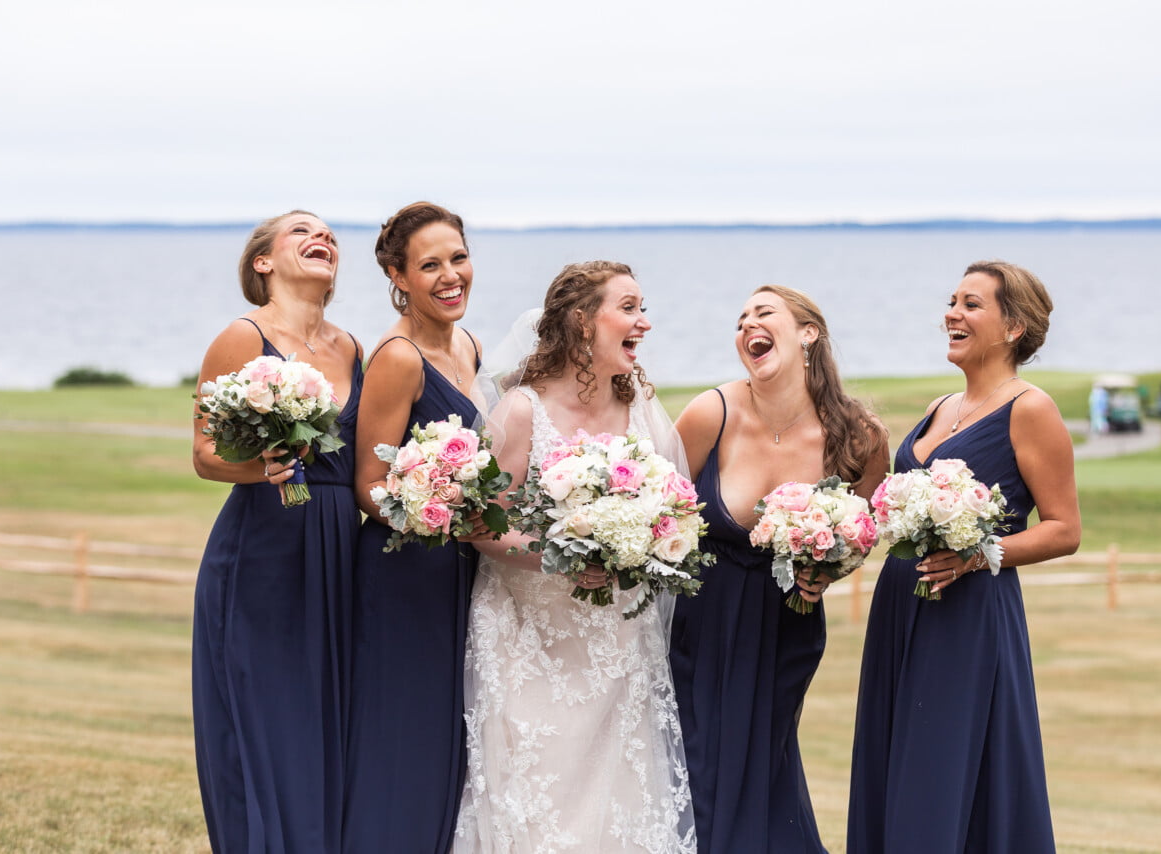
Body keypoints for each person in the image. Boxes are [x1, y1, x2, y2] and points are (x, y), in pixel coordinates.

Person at [453, 261, 697, 853]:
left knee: (617, 803)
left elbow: (674, 513)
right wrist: (558, 558)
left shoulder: (639, 404)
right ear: (584, 323)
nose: (645, 322)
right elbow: (481, 525)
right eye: (631, 308)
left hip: (614, 643)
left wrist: (638, 545)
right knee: (533, 801)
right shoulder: (520, 411)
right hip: (527, 639)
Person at [847, 260, 1081, 854]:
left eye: (972, 304)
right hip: (902, 605)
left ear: (1014, 327)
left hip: (969, 614)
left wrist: (979, 556)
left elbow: (1063, 529)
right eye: (952, 301)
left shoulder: (1030, 409)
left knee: (944, 765)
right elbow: (891, 504)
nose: (952, 313)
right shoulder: (940, 406)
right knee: (895, 755)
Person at [667, 285, 888, 854]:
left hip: (785, 626)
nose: (747, 327)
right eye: (740, 319)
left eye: (763, 314)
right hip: (699, 623)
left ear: (807, 332)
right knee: (696, 767)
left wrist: (828, 570)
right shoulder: (710, 413)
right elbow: (657, 513)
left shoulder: (860, 436)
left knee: (765, 763)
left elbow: (864, 532)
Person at [191, 210, 363, 854]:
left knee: (329, 719)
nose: (322, 239)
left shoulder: (351, 347)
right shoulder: (241, 339)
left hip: (340, 554)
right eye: (301, 231)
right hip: (264, 551)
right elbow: (205, 455)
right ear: (263, 261)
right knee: (266, 723)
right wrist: (258, 466)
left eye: (329, 236)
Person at [343, 202, 483, 852]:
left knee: (450, 731)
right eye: (431, 265)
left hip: (464, 567)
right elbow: (369, 485)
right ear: (399, 276)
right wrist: (432, 517)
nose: (451, 274)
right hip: (406, 569)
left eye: (458, 257)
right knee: (405, 730)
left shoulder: (468, 345)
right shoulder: (398, 357)